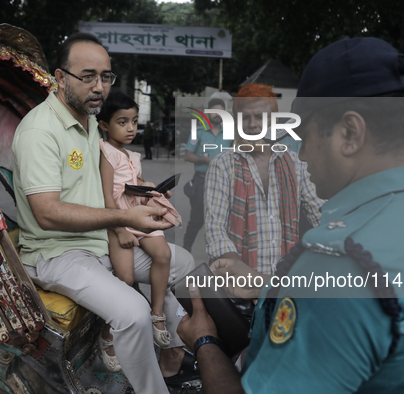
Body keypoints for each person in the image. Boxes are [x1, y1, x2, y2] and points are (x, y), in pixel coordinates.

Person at [177, 37, 404, 393]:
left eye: (305, 135)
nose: (302, 152)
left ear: (349, 133)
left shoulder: (337, 261)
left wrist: (205, 341)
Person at [12, 32, 196, 393]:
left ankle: (173, 353)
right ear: (60, 78)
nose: (99, 87)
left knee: (183, 263)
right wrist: (125, 219)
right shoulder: (39, 131)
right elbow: (47, 213)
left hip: (100, 241)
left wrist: (143, 197)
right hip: (58, 253)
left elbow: (103, 187)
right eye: (88, 76)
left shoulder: (89, 121)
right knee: (132, 313)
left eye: (106, 76)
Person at [205, 84, 323, 276]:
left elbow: (319, 213)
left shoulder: (295, 162)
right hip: (239, 282)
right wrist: (240, 272)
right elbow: (215, 228)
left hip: (286, 278)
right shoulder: (223, 164)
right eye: (246, 118)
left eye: (260, 117)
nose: (252, 125)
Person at [97, 91, 182, 352]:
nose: (131, 128)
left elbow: (138, 189)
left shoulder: (134, 156)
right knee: (125, 276)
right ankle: (107, 331)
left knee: (163, 254)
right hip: (119, 221)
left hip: (141, 217)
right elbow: (106, 196)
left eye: (134, 121)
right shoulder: (106, 153)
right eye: (122, 122)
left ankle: (156, 313)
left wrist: (153, 192)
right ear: (104, 126)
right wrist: (120, 229)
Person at [183, 98, 232, 252]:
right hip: (202, 181)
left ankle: (220, 255)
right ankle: (186, 250)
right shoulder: (198, 132)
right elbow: (187, 155)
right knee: (197, 219)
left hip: (224, 183)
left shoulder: (231, 133)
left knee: (224, 221)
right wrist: (205, 160)